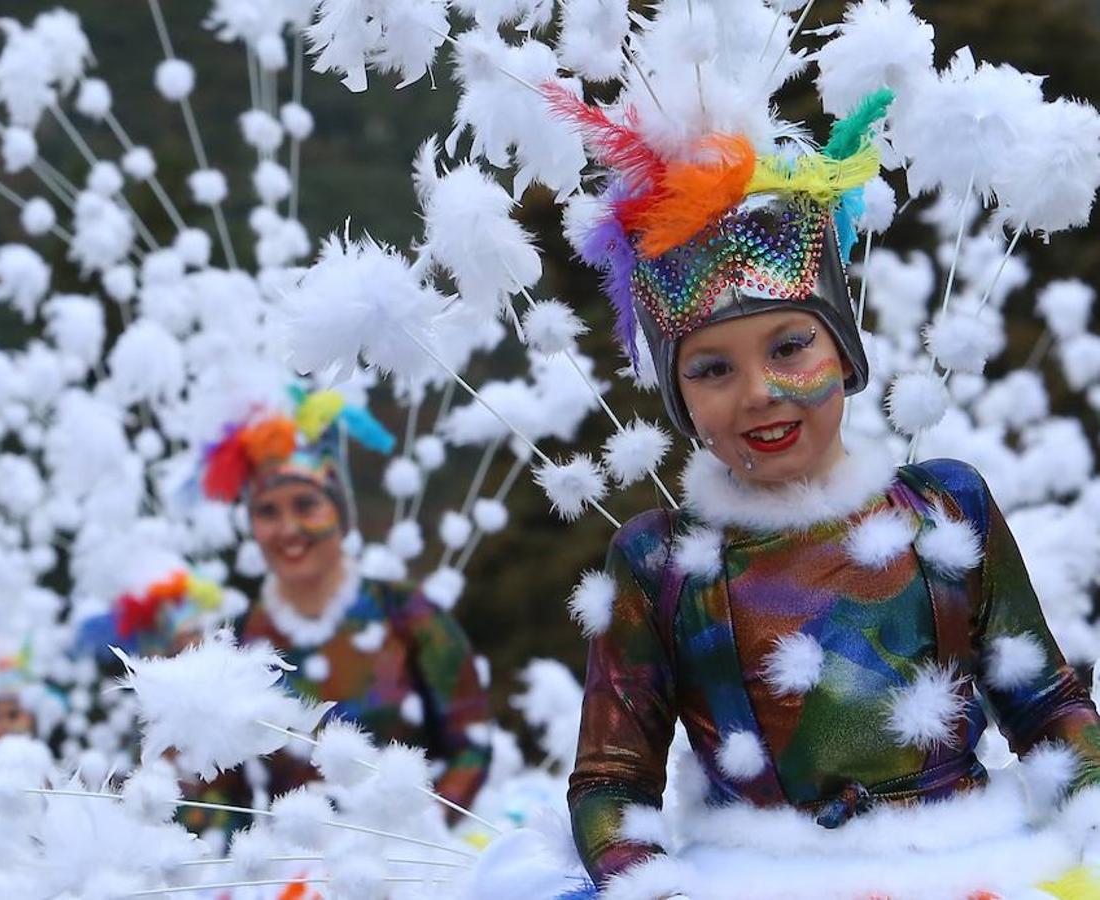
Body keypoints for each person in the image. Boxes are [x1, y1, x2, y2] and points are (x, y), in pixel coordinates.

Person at [553, 93, 1100, 898]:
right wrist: (651, 886)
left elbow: (1048, 707)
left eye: (789, 346)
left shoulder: (945, 509)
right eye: (711, 370)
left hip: (970, 870)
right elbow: (610, 780)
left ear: (843, 353)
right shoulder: (658, 560)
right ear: (678, 398)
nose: (759, 392)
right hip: (760, 880)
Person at [192, 390, 493, 824]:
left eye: (306, 505)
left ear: (339, 509)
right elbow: (219, 790)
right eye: (267, 512)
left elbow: (470, 746)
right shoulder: (235, 644)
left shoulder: (407, 613)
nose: (289, 529)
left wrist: (418, 837)